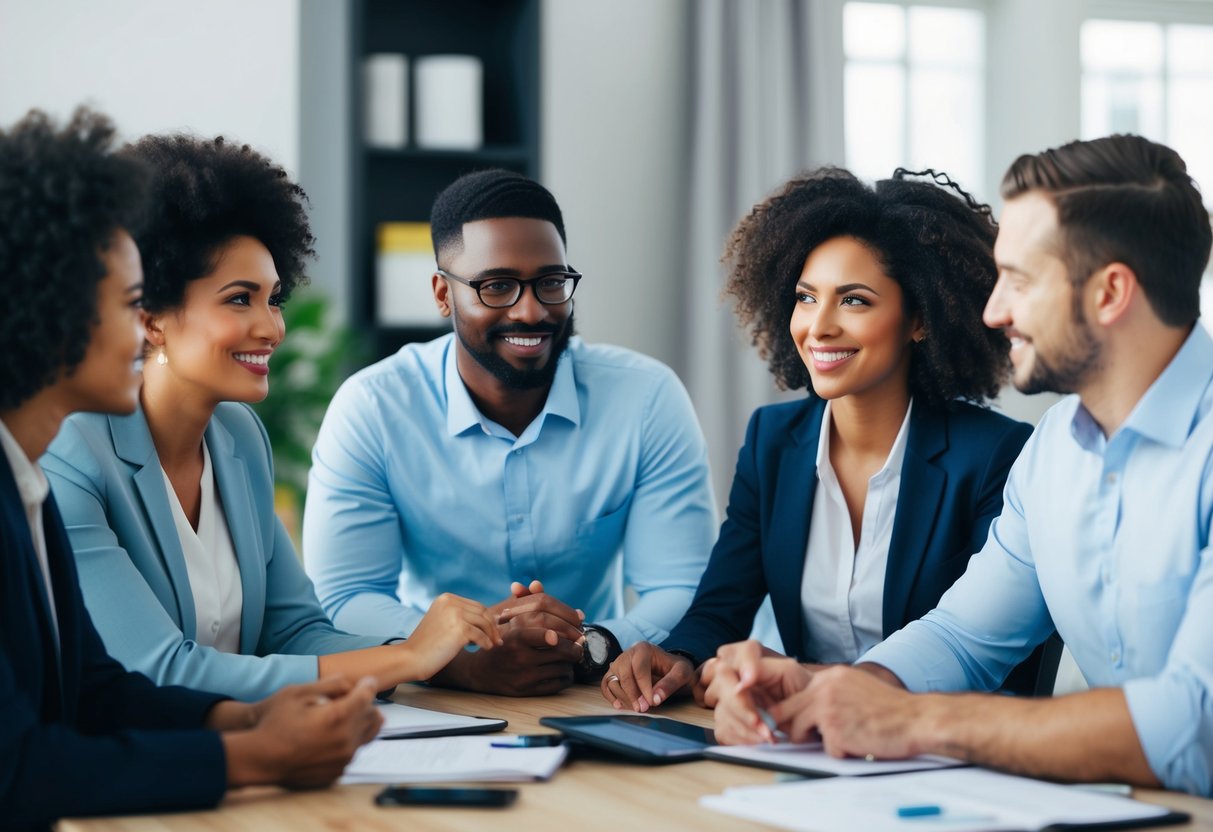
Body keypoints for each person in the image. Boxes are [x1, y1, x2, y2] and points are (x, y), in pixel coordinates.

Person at [709, 135, 1213, 796]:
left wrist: (911, 720)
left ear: (1110, 292)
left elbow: (1193, 722)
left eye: (1019, 281)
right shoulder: (1054, 451)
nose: (993, 311)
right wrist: (826, 690)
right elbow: (962, 637)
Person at [0, 107, 382, 829]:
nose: (142, 330)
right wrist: (254, 757)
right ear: (51, 312)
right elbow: (18, 768)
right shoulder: (52, 471)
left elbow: (94, 690)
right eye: (131, 304)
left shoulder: (27, 485)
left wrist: (247, 720)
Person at [42, 133, 502, 702]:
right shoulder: (74, 452)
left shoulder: (239, 436)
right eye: (240, 299)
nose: (272, 327)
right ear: (152, 318)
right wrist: (410, 657)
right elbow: (157, 671)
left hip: (257, 742)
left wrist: (448, 654)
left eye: (274, 299)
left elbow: (294, 632)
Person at [600, 167, 1039, 713]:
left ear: (920, 319)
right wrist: (679, 657)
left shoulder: (995, 455)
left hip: (933, 741)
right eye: (806, 298)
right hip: (799, 736)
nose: (819, 326)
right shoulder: (772, 441)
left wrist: (802, 678)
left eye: (854, 301)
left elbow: (986, 655)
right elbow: (720, 607)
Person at [303, 169, 717, 695]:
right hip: (435, 698)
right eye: (497, 286)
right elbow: (346, 595)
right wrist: (467, 657)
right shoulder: (373, 409)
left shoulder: (646, 399)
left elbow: (683, 585)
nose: (531, 310)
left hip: (599, 690)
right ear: (443, 294)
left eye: (551, 282)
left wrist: (589, 645)